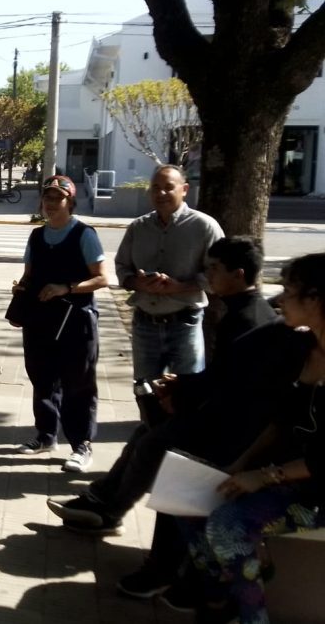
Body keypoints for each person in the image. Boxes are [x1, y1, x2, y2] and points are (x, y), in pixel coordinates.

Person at [47, 237, 280, 601]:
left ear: (238, 274)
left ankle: (160, 564)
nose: (208, 276)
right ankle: (106, 503)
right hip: (224, 419)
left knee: (160, 445)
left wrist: (183, 397)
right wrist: (182, 385)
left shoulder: (249, 319)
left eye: (214, 269)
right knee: (147, 432)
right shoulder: (244, 312)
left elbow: (233, 392)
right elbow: (224, 378)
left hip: (233, 435)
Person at [181, 252, 325, 624]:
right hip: (288, 477)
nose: (279, 300)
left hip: (315, 492)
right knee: (192, 504)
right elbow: (282, 423)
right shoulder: (304, 347)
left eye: (288, 291)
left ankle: (252, 616)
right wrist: (239, 466)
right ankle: (222, 599)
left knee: (228, 525)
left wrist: (264, 477)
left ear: (315, 300)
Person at [12, 175, 108, 472]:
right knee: (42, 379)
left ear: (70, 202)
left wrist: (66, 287)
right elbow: (29, 275)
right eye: (48, 197)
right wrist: (21, 289)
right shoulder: (36, 236)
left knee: (78, 383)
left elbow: (102, 278)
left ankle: (81, 445)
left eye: (58, 198)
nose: (51, 203)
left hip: (76, 322)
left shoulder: (83, 234)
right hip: (40, 319)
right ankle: (46, 436)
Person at [114, 164, 224, 381]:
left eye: (168, 187)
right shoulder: (138, 227)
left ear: (184, 189)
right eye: (155, 188)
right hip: (144, 324)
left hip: (184, 323)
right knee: (146, 390)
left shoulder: (205, 227)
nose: (161, 193)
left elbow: (219, 276)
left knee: (187, 391)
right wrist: (137, 283)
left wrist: (180, 287)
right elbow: (121, 267)